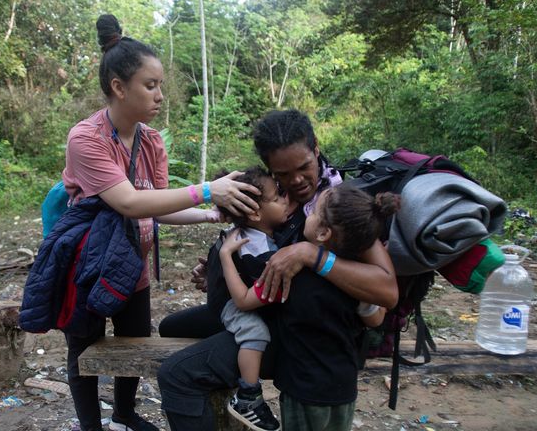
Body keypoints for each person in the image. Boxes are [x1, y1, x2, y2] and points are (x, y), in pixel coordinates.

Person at [59, 14, 259, 431]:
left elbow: (158, 206)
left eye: (160, 85)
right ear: (119, 87)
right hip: (89, 270)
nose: (160, 96)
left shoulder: (151, 140)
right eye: (151, 86)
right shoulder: (86, 139)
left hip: (134, 268)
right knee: (84, 347)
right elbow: (130, 202)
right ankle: (91, 426)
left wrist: (211, 212)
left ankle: (125, 414)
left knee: (135, 344)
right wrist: (207, 189)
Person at [157, 109, 398, 431]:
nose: (296, 181)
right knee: (171, 328)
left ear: (316, 149)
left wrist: (310, 253)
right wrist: (221, 272)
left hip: (301, 333)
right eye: (283, 175)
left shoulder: (339, 206)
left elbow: (387, 293)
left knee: (177, 374)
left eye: (304, 168)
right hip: (267, 307)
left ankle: (247, 396)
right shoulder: (269, 194)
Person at [216, 167, 289, 431]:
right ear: (256, 213)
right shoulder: (254, 249)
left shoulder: (252, 234)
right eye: (277, 197)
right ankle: (248, 395)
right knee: (255, 332)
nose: (285, 200)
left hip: (231, 296)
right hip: (232, 304)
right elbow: (243, 300)